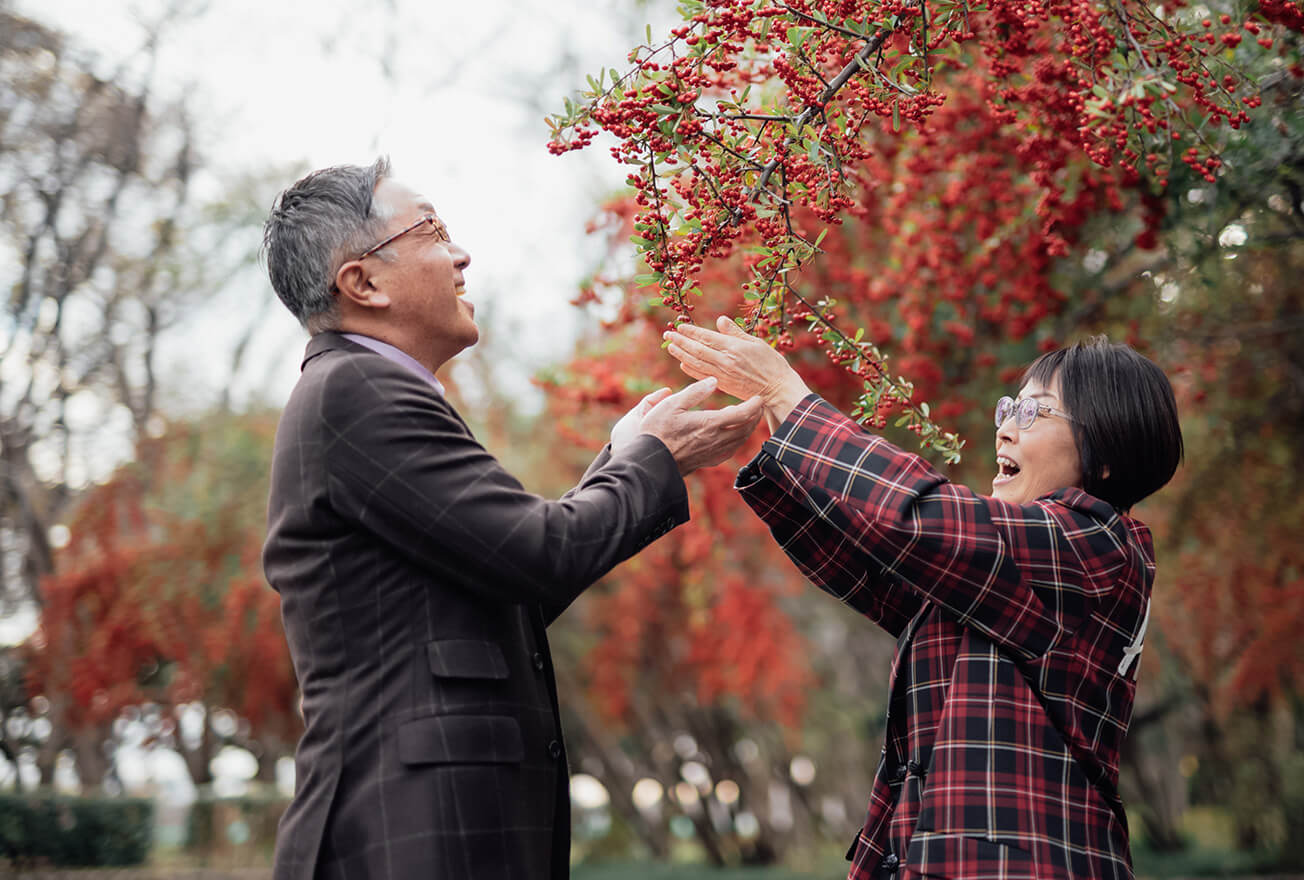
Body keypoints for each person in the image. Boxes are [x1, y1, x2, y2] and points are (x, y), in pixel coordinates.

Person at [260, 160, 762, 880]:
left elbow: (510, 577)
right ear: (363, 284)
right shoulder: (356, 391)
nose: (461, 254)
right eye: (432, 231)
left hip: (428, 822)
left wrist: (625, 460)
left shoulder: (360, 391)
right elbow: (537, 553)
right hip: (410, 827)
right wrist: (650, 460)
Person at [664, 317, 1183, 880]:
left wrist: (792, 399)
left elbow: (924, 519)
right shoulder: (1013, 571)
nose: (1005, 429)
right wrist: (780, 430)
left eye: (1033, 412)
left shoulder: (1096, 548)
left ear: (1105, 454)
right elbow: (873, 569)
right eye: (1008, 408)